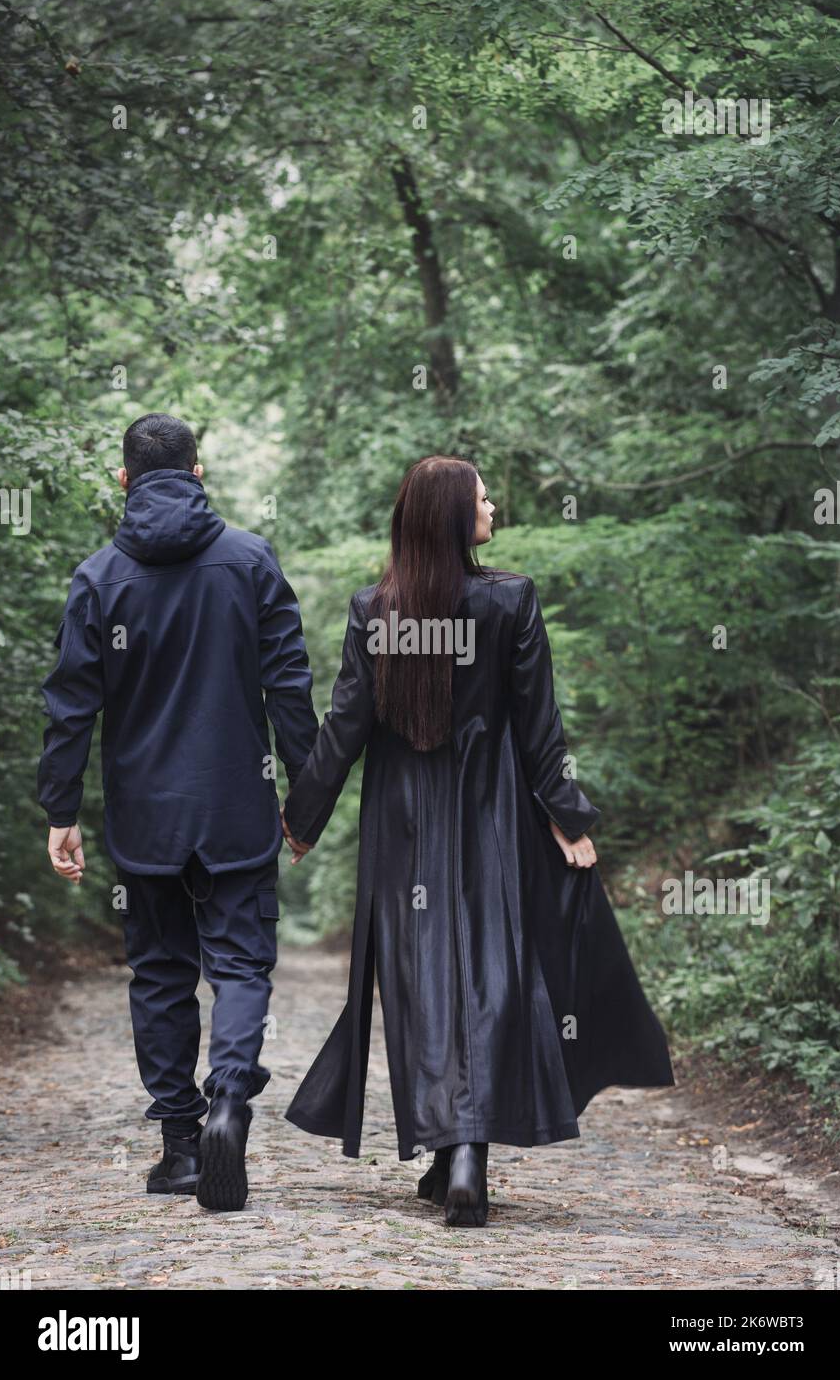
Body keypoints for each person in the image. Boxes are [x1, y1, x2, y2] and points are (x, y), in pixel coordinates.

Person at [281, 455, 675, 1227]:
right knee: (488, 978)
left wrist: (303, 816)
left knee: (421, 985)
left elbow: (346, 728)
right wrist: (567, 815)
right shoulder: (509, 600)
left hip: (402, 826)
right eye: (483, 497)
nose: (494, 505)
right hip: (491, 816)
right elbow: (538, 725)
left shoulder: (374, 609)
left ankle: (450, 1148)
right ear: (453, 517)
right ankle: (465, 1154)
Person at [37, 413, 318, 1212]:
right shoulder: (250, 561)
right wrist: (308, 795)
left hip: (145, 816)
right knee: (239, 966)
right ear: (199, 471)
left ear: (124, 481)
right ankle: (231, 1099)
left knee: (161, 975)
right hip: (236, 805)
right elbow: (290, 690)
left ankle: (182, 1149)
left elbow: (69, 708)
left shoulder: (99, 578)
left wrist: (62, 809)